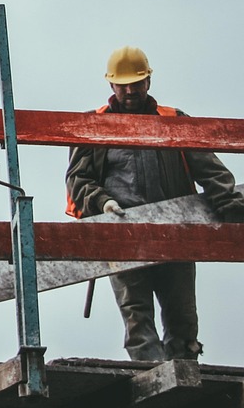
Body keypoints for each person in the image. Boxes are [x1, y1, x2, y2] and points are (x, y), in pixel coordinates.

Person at [66, 46, 244, 361]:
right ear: (111, 85)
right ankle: (151, 373)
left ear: (148, 81)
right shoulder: (93, 125)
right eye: (123, 84)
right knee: (137, 312)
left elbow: (210, 171)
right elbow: (78, 181)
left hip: (177, 230)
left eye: (136, 83)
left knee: (182, 313)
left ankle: (184, 368)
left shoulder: (173, 120)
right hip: (123, 231)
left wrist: (232, 208)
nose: (130, 90)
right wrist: (103, 203)